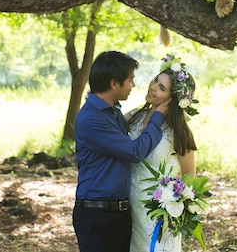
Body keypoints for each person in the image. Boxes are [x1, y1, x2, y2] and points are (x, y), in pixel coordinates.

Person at [72, 51, 170, 252]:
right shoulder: (93, 119)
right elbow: (134, 151)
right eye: (130, 80)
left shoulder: (112, 111)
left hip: (118, 214)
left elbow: (126, 125)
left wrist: (146, 109)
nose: (133, 85)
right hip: (98, 216)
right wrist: (157, 118)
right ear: (114, 84)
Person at [127, 54, 199, 252]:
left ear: (173, 98)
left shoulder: (178, 133)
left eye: (162, 88)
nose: (153, 87)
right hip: (128, 208)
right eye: (155, 80)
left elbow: (189, 179)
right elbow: (111, 129)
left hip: (157, 213)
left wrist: (172, 208)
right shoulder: (136, 116)